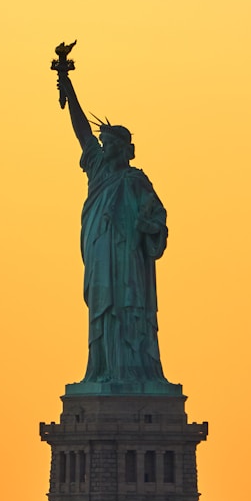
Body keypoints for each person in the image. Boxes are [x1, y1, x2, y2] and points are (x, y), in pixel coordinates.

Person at [58, 72, 169, 386]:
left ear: (123, 149)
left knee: (128, 310)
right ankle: (104, 369)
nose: (103, 148)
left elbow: (157, 220)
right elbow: (82, 133)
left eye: (108, 144)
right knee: (103, 312)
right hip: (100, 255)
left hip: (127, 260)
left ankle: (132, 371)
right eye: (102, 144)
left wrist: (149, 224)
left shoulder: (136, 181)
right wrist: (68, 88)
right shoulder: (97, 171)